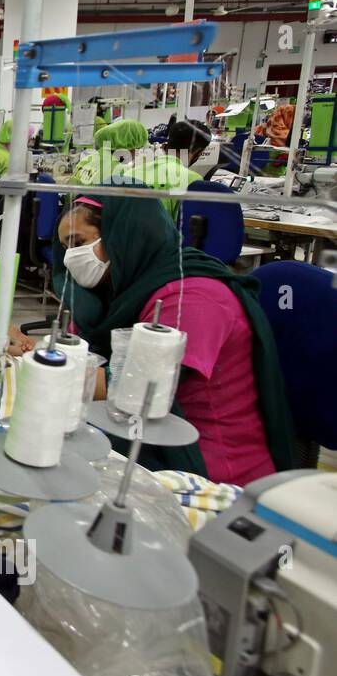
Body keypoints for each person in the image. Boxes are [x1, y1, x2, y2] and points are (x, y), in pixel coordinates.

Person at [53, 191, 293, 484]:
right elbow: (82, 354)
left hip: (211, 467)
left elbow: (135, 388)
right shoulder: (115, 291)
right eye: (66, 247)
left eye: (79, 243)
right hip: (139, 436)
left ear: (125, 234)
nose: (70, 258)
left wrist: (40, 364)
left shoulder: (196, 297)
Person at [119, 119, 208, 219]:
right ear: (199, 153)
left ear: (165, 145)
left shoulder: (131, 173)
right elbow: (186, 226)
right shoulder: (192, 180)